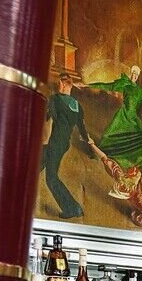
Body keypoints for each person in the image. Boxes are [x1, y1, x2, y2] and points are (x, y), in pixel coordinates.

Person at [39, 73, 97, 219]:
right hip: (63, 143)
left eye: (59, 83)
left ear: (65, 85)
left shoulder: (55, 99)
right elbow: (82, 128)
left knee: (51, 178)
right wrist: (90, 147)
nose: (58, 86)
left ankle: (73, 209)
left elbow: (48, 118)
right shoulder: (77, 105)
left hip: (53, 143)